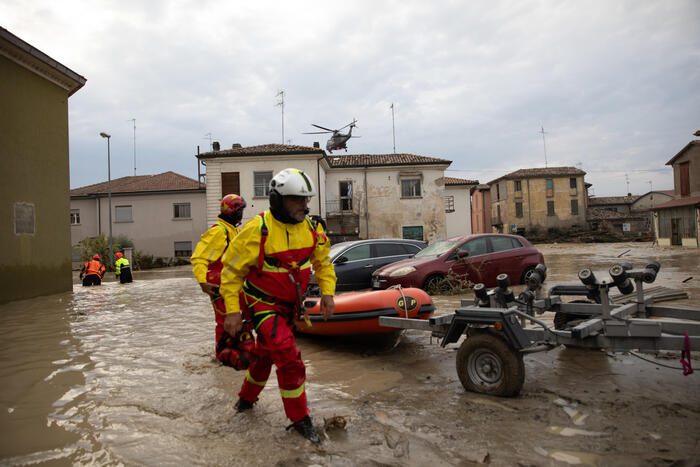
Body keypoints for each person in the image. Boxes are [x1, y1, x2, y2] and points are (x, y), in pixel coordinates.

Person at [220, 168, 336, 444]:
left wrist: (328, 294)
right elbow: (231, 273)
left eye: (306, 200)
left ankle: (245, 402)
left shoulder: (312, 229)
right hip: (262, 305)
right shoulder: (256, 230)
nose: (304, 205)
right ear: (277, 199)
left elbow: (323, 263)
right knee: (288, 357)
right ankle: (299, 418)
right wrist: (233, 311)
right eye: (296, 199)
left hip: (289, 308)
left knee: (264, 356)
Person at [191, 194, 247, 358]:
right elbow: (199, 257)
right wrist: (202, 281)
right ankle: (223, 355)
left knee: (236, 320)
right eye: (241, 210)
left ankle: (234, 352)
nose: (242, 214)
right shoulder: (219, 232)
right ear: (235, 212)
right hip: (220, 284)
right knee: (226, 321)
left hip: (231, 283)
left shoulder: (232, 230)